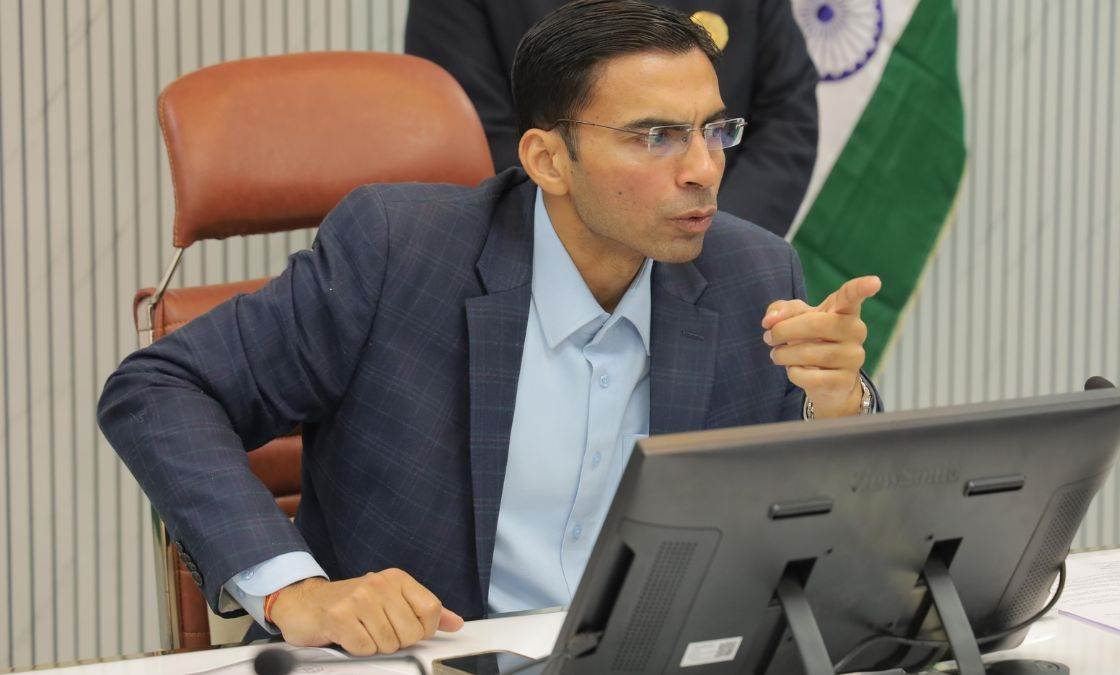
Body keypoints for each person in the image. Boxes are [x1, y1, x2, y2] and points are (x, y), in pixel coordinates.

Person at [97, 0, 880, 657]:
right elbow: (159, 387)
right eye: (656, 136)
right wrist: (295, 589)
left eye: (715, 130)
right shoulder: (398, 255)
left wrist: (839, 407)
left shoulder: (753, 274)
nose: (704, 169)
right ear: (548, 160)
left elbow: (812, 538)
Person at [405, 0, 819, 237]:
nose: (701, 168)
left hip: (711, 244)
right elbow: (469, 134)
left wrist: (706, 237)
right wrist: (598, 242)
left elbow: (787, 118)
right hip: (533, 249)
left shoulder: (752, 270)